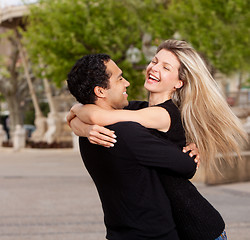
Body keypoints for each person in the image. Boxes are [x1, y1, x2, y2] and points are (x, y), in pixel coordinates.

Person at [68, 40, 247, 240]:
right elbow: (102, 112)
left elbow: (100, 115)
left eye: (165, 67)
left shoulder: (164, 115)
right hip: (178, 228)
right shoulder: (137, 109)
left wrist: (79, 114)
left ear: (179, 83)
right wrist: (82, 125)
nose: (154, 68)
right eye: (154, 61)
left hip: (199, 227)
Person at [67, 53, 198, 240]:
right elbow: (188, 165)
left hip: (118, 232)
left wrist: (77, 112)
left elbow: (86, 113)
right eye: (120, 78)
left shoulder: (88, 133)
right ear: (100, 91)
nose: (126, 83)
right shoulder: (127, 133)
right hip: (154, 235)